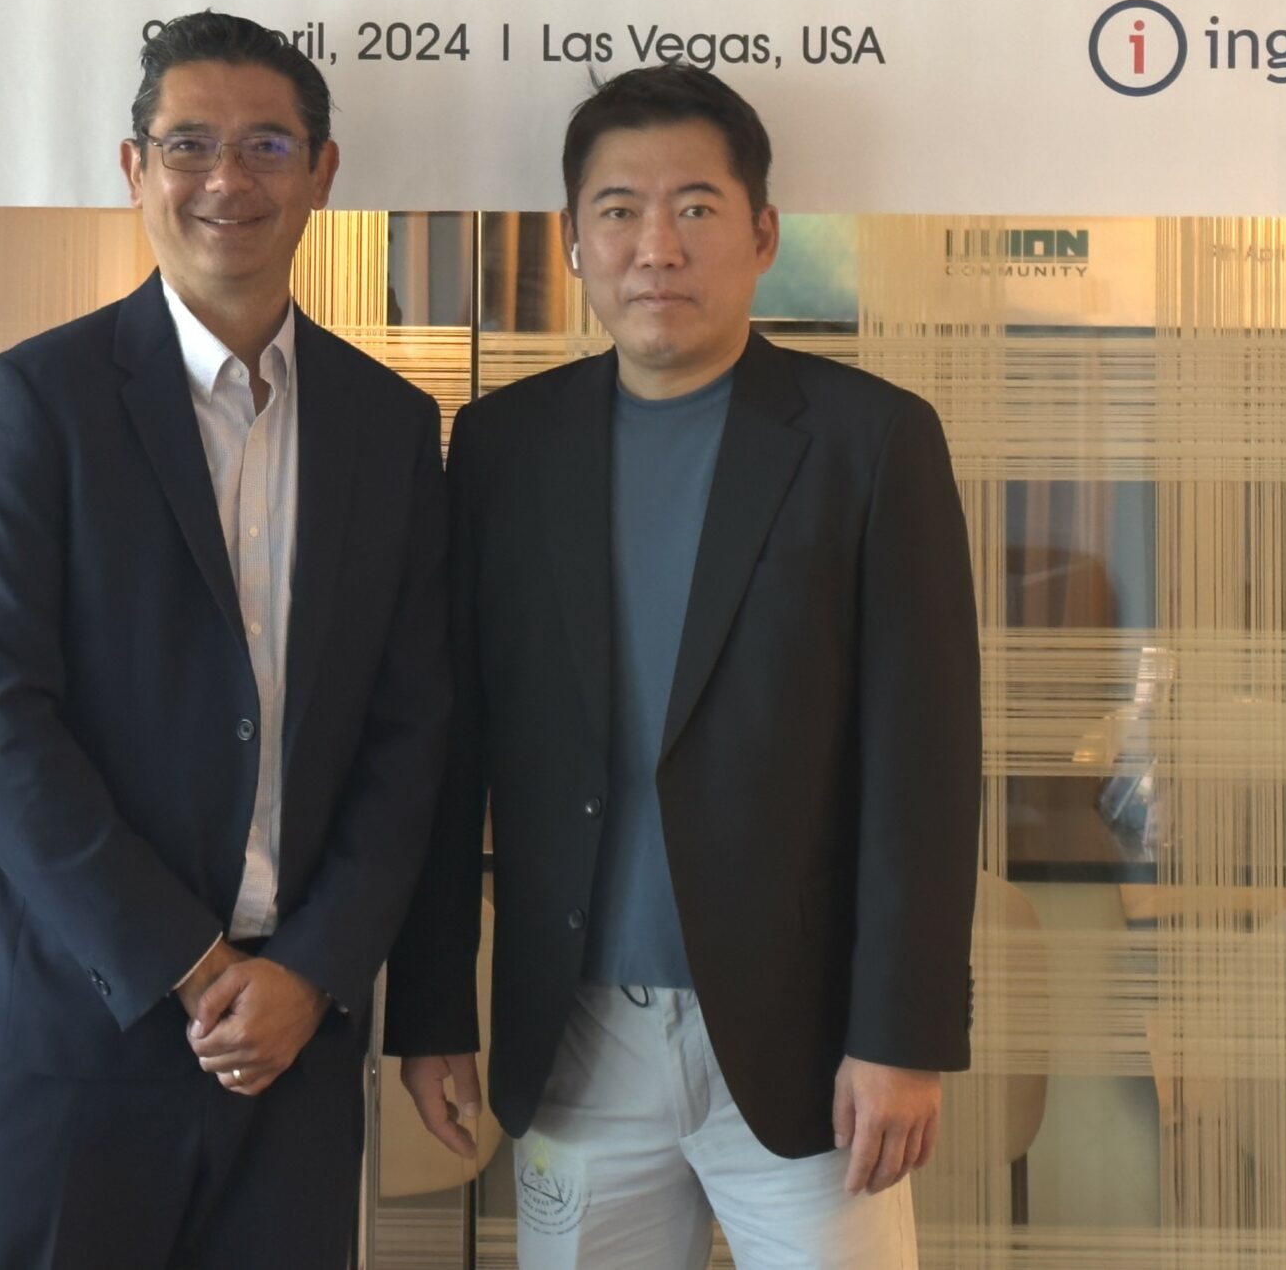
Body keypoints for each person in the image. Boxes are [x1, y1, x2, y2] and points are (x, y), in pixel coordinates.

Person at [387, 64, 982, 1269]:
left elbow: (923, 768)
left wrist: (902, 1035)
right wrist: (433, 1008)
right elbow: (449, 748)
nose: (656, 245)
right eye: (618, 210)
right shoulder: (502, 446)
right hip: (576, 1037)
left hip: (804, 1043)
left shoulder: (871, 441)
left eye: (696, 208)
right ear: (572, 243)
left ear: (762, 234)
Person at [0, 12, 450, 1268]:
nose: (228, 179)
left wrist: (309, 971)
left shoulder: (389, 425)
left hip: (295, 1044)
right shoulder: (36, 400)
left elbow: (411, 731)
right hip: (71, 1028)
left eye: (267, 145)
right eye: (189, 145)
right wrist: (191, 963)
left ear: (322, 173)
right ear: (134, 167)